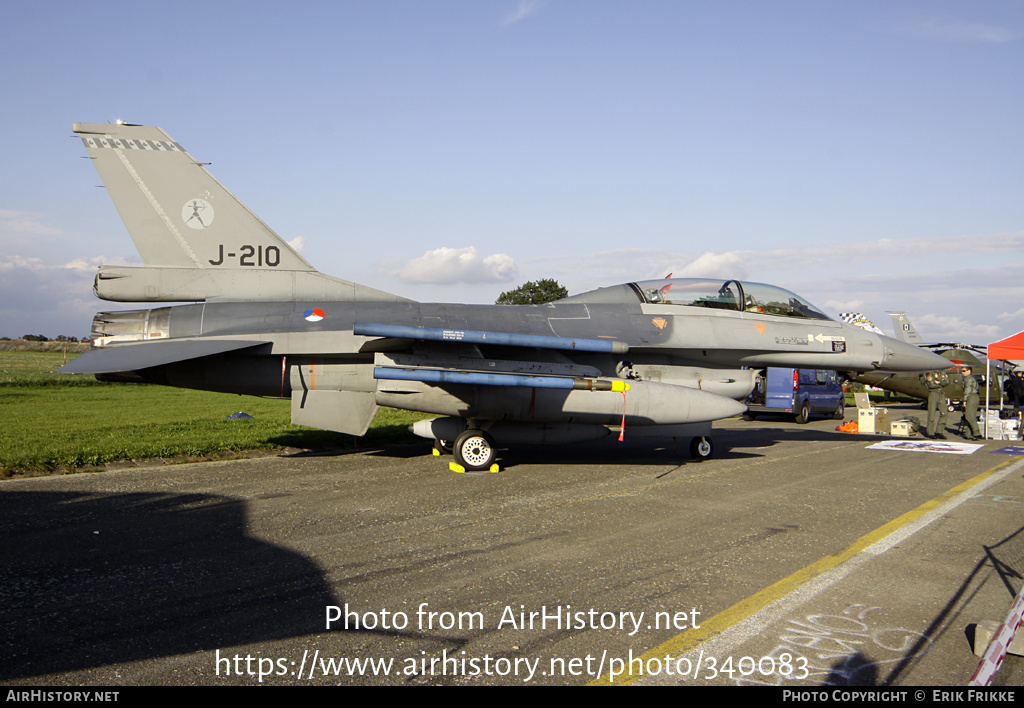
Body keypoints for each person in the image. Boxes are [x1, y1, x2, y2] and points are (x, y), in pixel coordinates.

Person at [923, 369, 951, 439]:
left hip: (941, 393)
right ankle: (930, 432)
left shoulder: (942, 372)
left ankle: (939, 431)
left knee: (944, 413)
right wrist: (941, 383)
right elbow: (931, 384)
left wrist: (938, 383)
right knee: (932, 413)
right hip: (933, 393)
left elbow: (947, 382)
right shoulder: (929, 373)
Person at [959, 365, 981, 440]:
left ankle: (977, 433)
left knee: (969, 416)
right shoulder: (972, 378)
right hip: (975, 397)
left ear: (969, 371)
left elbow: (967, 390)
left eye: (964, 371)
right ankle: (968, 434)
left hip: (971, 397)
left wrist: (964, 400)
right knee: (972, 415)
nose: (962, 373)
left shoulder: (968, 379)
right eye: (962, 371)